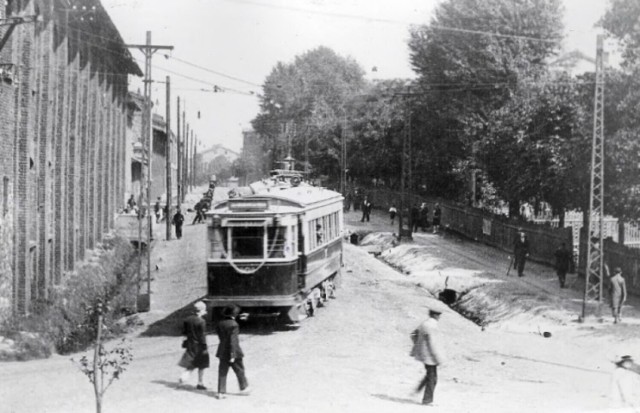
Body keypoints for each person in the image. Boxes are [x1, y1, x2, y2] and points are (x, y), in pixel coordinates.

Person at [410, 308, 446, 406]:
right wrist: (438, 358)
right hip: (430, 355)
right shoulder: (432, 326)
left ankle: (417, 390)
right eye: (438, 315)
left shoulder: (424, 324)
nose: (439, 317)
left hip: (424, 354)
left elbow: (413, 334)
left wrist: (418, 345)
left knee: (430, 375)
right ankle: (427, 400)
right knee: (432, 378)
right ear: (435, 315)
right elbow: (432, 343)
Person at [216, 305, 250, 399]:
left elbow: (221, 337)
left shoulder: (220, 323)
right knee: (239, 370)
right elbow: (233, 340)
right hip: (234, 351)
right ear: (234, 314)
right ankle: (243, 388)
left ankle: (221, 392)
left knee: (222, 371)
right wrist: (232, 354)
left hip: (222, 350)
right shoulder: (234, 324)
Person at [178, 301, 209, 390]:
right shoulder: (201, 321)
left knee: (191, 362)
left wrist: (184, 342)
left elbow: (184, 333)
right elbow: (202, 336)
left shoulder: (187, 320)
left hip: (190, 344)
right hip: (199, 345)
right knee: (202, 364)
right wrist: (204, 346)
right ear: (201, 310)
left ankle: (184, 376)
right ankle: (200, 382)